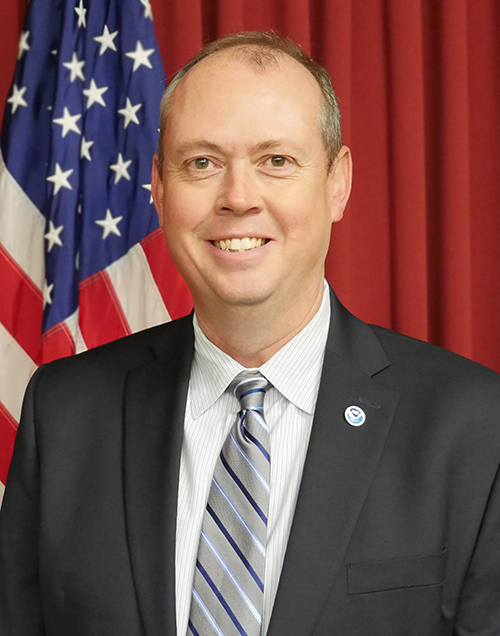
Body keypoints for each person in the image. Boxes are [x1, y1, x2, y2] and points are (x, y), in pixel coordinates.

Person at [1, 31, 500, 636]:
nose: (238, 198)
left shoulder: (475, 426)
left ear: (337, 182)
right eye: (202, 163)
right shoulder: (65, 412)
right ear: (159, 185)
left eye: (277, 161)